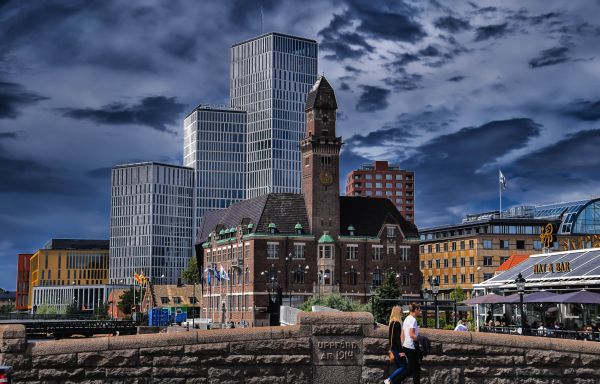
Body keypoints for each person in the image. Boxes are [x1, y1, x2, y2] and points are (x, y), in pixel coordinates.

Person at [396, 303, 421, 384]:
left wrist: (402, 347)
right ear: (415, 310)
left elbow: (402, 335)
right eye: (419, 309)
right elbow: (412, 334)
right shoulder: (413, 320)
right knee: (414, 370)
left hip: (406, 346)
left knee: (413, 369)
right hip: (411, 347)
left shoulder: (406, 318)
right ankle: (396, 381)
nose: (419, 311)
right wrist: (421, 339)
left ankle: (396, 381)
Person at [384, 306, 406, 384]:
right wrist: (401, 351)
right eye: (401, 312)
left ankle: (394, 381)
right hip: (396, 349)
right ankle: (389, 379)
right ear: (398, 313)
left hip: (393, 348)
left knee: (398, 367)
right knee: (403, 366)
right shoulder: (397, 323)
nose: (402, 313)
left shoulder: (392, 323)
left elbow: (391, 338)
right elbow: (397, 339)